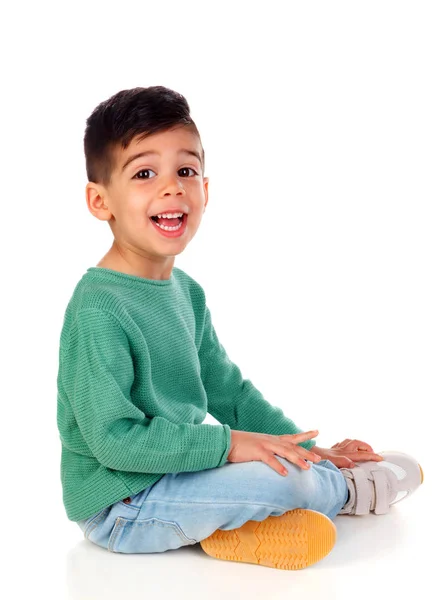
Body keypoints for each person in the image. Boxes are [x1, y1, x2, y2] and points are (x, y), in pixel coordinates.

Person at [56, 85, 424, 570]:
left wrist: (311, 449)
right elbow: (114, 439)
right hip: (124, 505)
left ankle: (240, 528)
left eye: (186, 170)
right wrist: (230, 446)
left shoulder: (185, 292)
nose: (173, 187)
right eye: (145, 173)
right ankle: (348, 490)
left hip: (174, 478)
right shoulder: (99, 309)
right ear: (100, 201)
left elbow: (228, 393)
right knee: (284, 480)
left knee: (288, 465)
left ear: (205, 191)